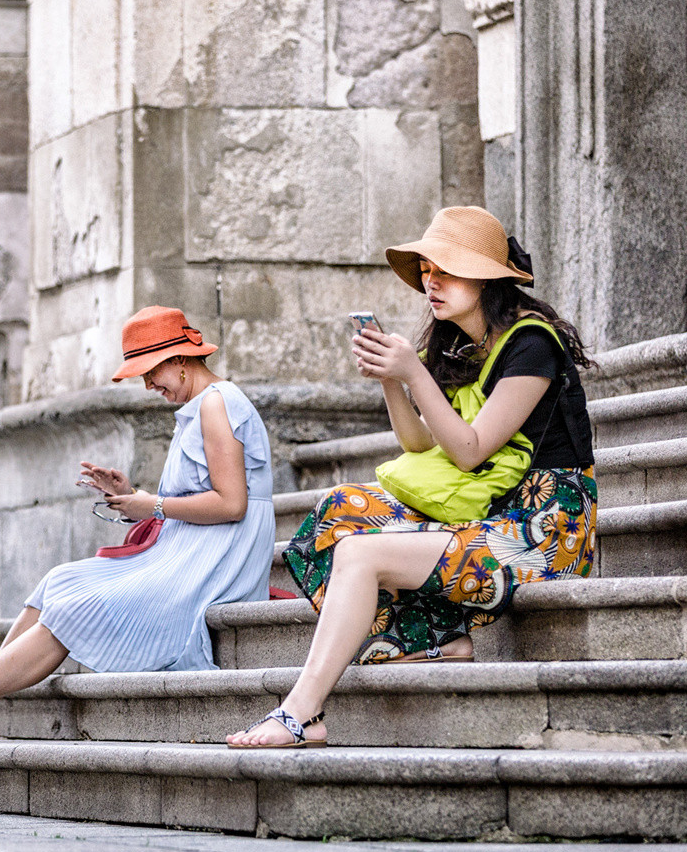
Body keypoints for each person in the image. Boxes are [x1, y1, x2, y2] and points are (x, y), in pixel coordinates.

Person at [228, 206, 596, 749]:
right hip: (480, 507)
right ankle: (438, 638)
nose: (433, 282)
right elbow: (422, 445)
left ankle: (300, 713)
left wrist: (413, 372)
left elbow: (469, 451)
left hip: (543, 530)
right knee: (337, 513)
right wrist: (392, 381)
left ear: (487, 277)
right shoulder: (450, 342)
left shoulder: (533, 344)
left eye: (447, 270)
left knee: (360, 554)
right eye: (427, 271)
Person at [0, 306, 274, 743]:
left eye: (150, 371)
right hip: (192, 552)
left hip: (217, 560)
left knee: (77, 606)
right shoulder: (202, 406)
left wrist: (151, 504)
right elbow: (197, 496)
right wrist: (132, 493)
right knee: (58, 582)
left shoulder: (218, 404)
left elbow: (232, 504)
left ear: (180, 359)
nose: (147, 385)